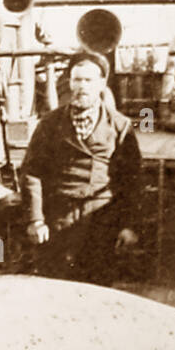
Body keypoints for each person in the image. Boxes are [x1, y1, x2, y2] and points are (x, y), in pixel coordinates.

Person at [22, 50, 142, 283]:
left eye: (88, 80)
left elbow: (131, 180)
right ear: (69, 82)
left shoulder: (120, 126)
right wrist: (35, 219)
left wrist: (129, 226)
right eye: (76, 80)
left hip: (100, 222)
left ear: (101, 84)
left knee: (97, 291)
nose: (81, 87)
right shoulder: (49, 124)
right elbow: (31, 172)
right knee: (55, 289)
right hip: (57, 220)